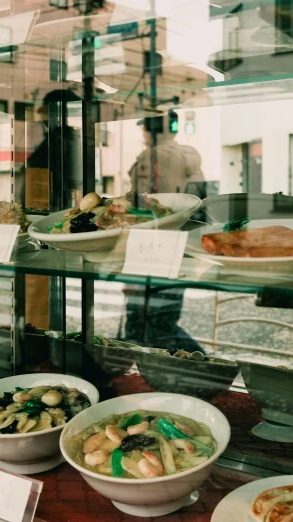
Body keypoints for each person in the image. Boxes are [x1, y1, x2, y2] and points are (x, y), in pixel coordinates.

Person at [123, 111, 207, 354]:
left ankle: (206, 367)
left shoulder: (153, 160)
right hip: (180, 248)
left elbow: (141, 211)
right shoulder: (188, 157)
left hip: (150, 251)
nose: (143, 136)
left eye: (144, 130)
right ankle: (204, 368)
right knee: (164, 323)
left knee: (142, 327)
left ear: (150, 131)